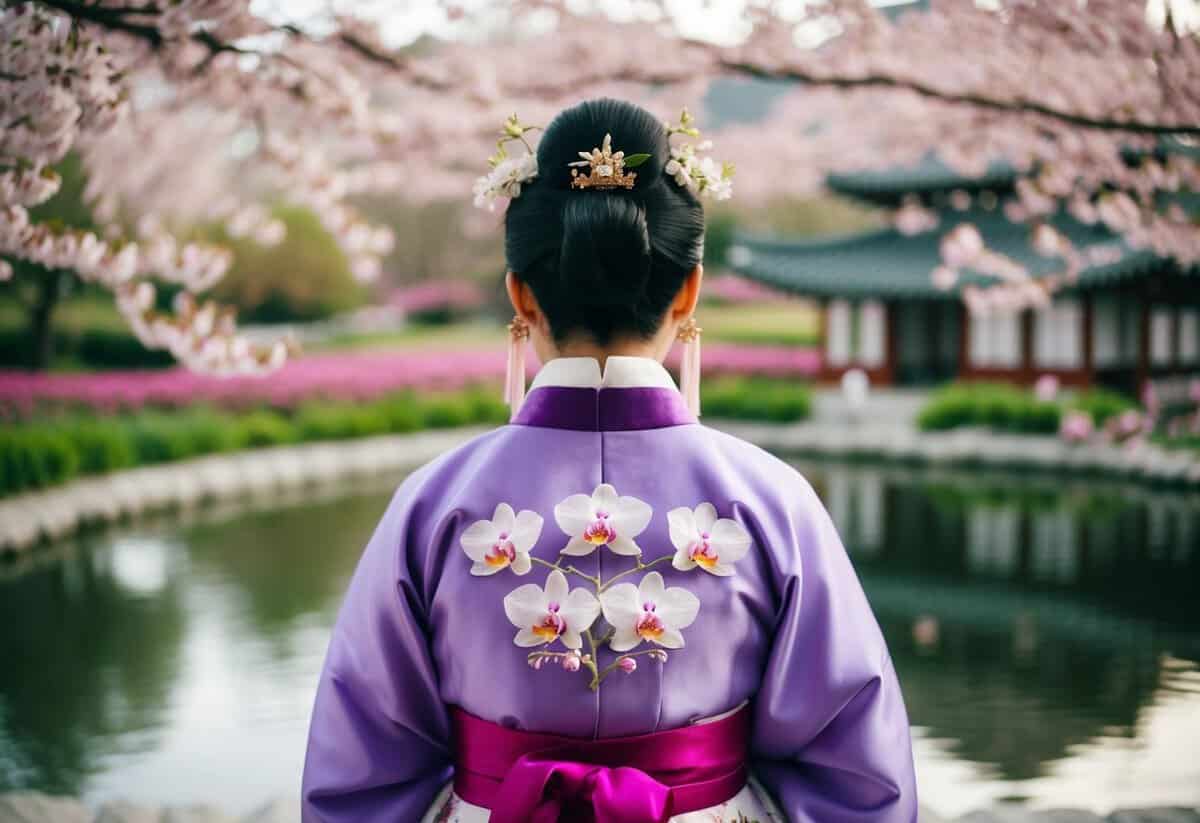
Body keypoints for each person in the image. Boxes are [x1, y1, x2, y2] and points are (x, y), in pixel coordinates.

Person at [301, 97, 917, 823]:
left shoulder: (432, 505)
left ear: (520, 296)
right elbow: (857, 766)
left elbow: (361, 766)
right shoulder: (773, 502)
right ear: (688, 291)